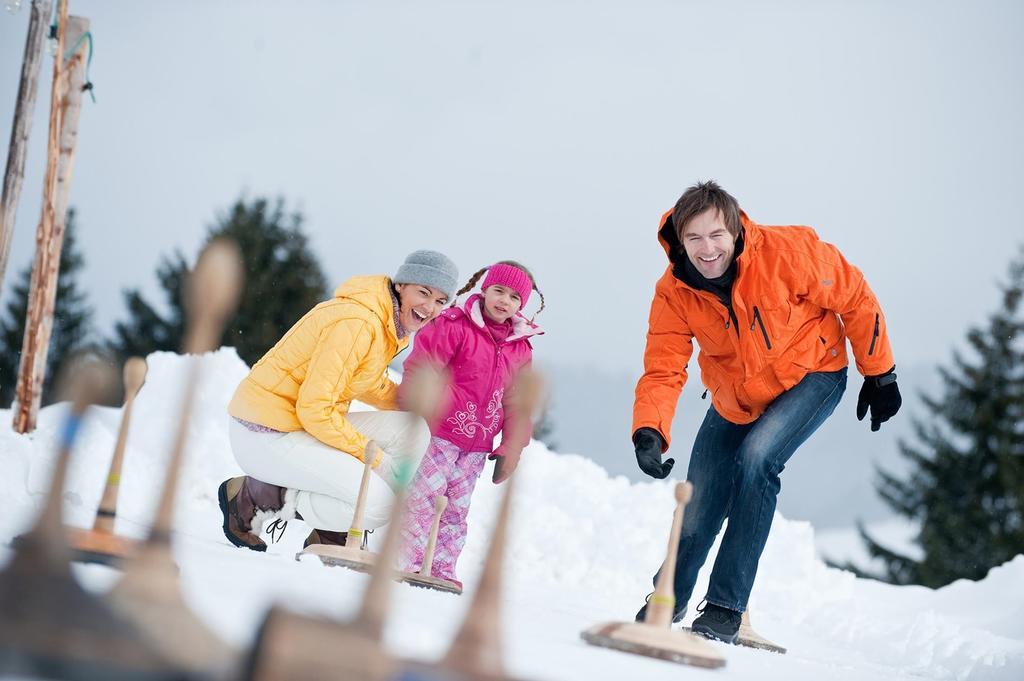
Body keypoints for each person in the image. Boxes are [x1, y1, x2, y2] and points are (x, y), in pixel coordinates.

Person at [632, 181, 901, 642]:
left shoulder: (786, 254)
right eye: (693, 238)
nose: (707, 248)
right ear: (679, 241)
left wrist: (880, 372)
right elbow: (663, 366)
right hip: (737, 395)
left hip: (813, 374)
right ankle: (666, 600)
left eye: (716, 234)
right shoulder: (674, 291)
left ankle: (724, 607)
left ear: (735, 229)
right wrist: (649, 430)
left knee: (757, 460)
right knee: (699, 502)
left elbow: (854, 295)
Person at [217, 250, 459, 552]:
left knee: (412, 429)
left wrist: (410, 403)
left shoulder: (385, 322)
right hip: (264, 431)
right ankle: (254, 496)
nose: (430, 307)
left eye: (440, 301)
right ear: (402, 285)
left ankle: (330, 532)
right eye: (424, 292)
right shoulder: (359, 323)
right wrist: (375, 461)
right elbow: (316, 410)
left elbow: (363, 378)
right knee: (379, 504)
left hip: (296, 423)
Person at [396, 261, 544, 587]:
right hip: (439, 433)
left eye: (514, 297)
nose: (504, 301)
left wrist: (512, 447)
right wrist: (417, 408)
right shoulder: (455, 325)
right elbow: (424, 366)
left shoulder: (519, 347)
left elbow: (518, 402)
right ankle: (410, 561)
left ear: (523, 304)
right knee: (422, 499)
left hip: (477, 445)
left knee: (455, 510)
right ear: (485, 289)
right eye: (499, 291)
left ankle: (441, 569)